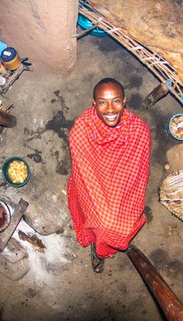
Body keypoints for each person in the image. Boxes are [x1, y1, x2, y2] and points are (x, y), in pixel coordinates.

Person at [67, 78, 151, 273]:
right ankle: (99, 248)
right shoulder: (81, 130)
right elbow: (85, 175)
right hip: (93, 183)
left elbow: (138, 176)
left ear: (125, 101)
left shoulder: (140, 130)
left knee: (122, 222)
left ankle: (102, 243)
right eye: (103, 102)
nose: (111, 109)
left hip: (121, 185)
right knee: (105, 224)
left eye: (116, 101)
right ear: (94, 103)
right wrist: (105, 212)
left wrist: (120, 202)